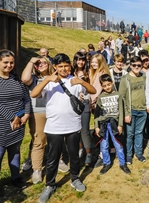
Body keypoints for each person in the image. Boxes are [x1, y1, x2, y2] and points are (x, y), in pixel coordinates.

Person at [30, 53, 96, 203]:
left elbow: (92, 91)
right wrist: (47, 79)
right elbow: (34, 94)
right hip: (54, 127)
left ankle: (75, 178)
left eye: (66, 65)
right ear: (55, 67)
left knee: (73, 155)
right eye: (60, 66)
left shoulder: (75, 81)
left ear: (70, 66)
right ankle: (50, 185)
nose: (64, 69)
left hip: (73, 125)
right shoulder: (48, 81)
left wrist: (82, 82)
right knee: (53, 158)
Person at [0, 49, 31, 199]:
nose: (9, 65)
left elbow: (26, 98)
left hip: (18, 125)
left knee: (15, 151)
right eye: (5, 62)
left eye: (11, 62)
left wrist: (26, 114)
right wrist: (13, 117)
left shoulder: (16, 78)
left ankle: (15, 177)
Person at [21, 56, 56, 184]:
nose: (40, 64)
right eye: (38, 63)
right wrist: (31, 61)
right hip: (38, 112)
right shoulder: (34, 79)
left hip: (55, 112)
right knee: (38, 140)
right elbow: (24, 79)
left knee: (56, 139)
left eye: (43, 62)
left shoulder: (55, 76)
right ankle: (37, 169)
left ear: (49, 63)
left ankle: (61, 160)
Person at [94, 74, 131, 175]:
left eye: (109, 84)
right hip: (103, 124)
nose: (107, 87)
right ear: (102, 86)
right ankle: (106, 163)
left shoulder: (118, 95)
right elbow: (97, 114)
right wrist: (96, 126)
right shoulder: (100, 97)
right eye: (104, 86)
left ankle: (122, 164)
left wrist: (120, 125)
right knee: (104, 145)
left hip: (114, 123)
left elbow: (121, 111)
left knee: (118, 144)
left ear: (112, 83)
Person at [119, 56, 147, 164]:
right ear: (130, 66)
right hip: (131, 111)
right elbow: (122, 97)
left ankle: (139, 153)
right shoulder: (125, 79)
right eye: (134, 65)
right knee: (130, 134)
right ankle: (129, 155)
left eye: (139, 65)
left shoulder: (144, 77)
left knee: (139, 133)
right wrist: (126, 113)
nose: (136, 67)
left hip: (142, 110)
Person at [72, 52, 94, 166]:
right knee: (76, 129)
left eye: (82, 60)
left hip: (85, 102)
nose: (80, 62)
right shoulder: (71, 71)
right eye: (78, 60)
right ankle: (80, 148)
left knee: (85, 130)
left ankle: (88, 152)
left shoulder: (88, 72)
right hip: (72, 103)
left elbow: (91, 88)